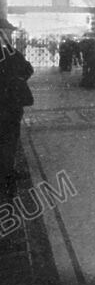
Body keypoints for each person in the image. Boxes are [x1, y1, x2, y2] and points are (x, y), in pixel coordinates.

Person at [0, 38, 35, 191]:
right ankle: (7, 174)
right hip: (10, 104)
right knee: (9, 139)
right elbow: (29, 69)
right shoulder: (10, 52)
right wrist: (17, 81)